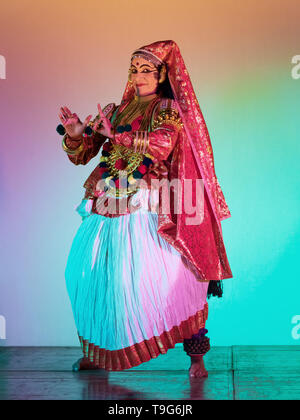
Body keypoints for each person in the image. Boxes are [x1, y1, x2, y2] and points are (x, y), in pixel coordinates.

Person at [58, 40, 233, 378]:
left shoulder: (167, 108)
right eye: (134, 70)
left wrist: (119, 137)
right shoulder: (114, 110)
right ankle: (100, 352)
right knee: (92, 275)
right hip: (108, 200)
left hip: (150, 203)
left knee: (166, 277)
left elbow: (163, 145)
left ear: (162, 74)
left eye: (146, 70)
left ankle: (196, 356)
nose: (138, 76)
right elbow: (83, 155)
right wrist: (77, 135)